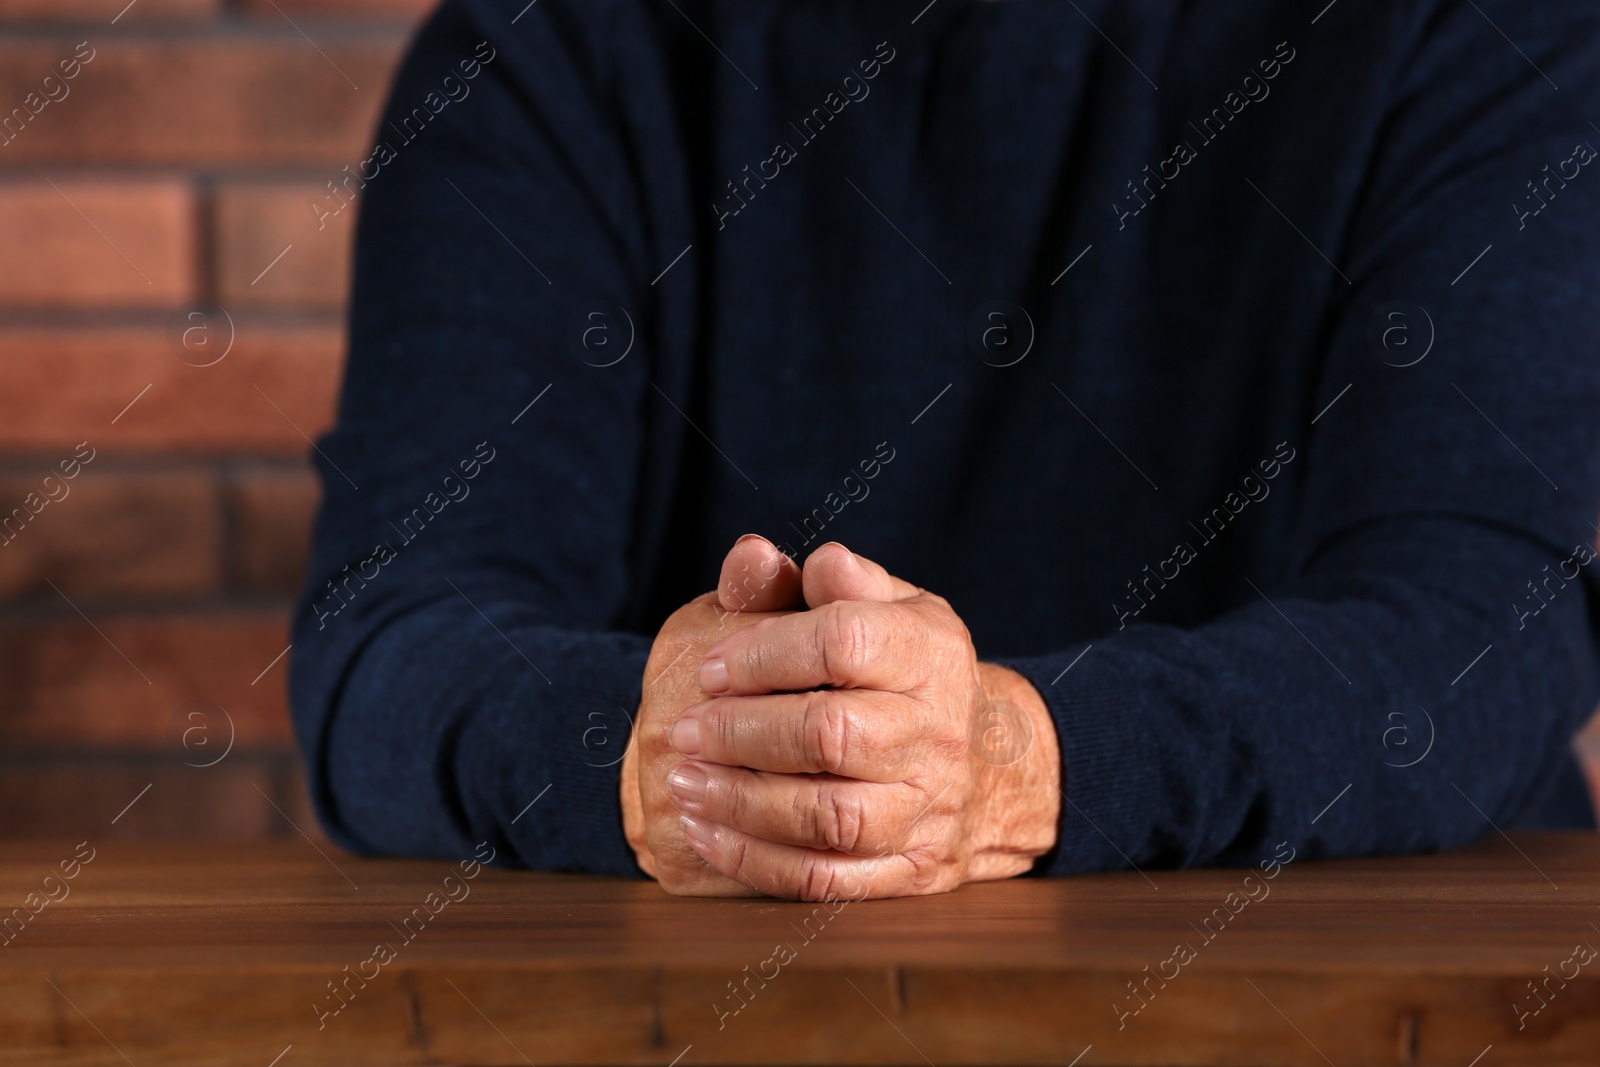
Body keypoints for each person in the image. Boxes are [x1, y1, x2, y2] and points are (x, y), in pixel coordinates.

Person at [290, 0, 1600, 900]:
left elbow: (1487, 631)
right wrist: (664, 751)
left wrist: (1024, 759)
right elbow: (385, 648)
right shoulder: (551, 47)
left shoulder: (1469, 31)